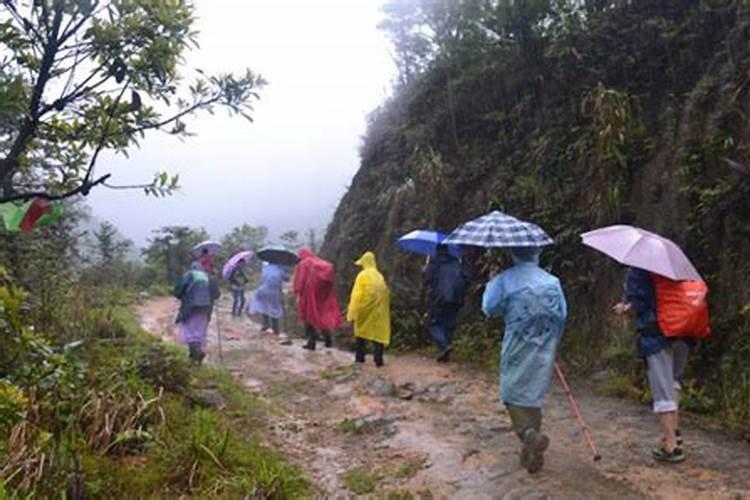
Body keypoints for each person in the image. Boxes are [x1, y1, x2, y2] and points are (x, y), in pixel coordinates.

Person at [482, 247, 567, 474]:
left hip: (517, 346)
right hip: (544, 347)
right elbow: (562, 316)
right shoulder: (552, 282)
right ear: (536, 254)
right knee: (533, 395)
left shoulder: (506, 279)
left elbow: (489, 309)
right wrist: (553, 341)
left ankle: (528, 435)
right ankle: (529, 453)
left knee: (510, 393)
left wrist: (493, 281)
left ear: (513, 254)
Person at [613, 267, 688, 463]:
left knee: (662, 390)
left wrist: (624, 309)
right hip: (681, 330)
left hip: (656, 335)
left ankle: (671, 446)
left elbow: (638, 303)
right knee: (673, 381)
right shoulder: (672, 267)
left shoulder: (637, 271)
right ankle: (675, 432)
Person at [423, 244, 467, 362]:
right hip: (456, 298)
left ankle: (444, 346)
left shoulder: (434, 263)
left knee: (433, 323)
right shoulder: (456, 263)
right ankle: (445, 352)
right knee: (449, 324)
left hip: (439, 298)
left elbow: (426, 280)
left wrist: (426, 269)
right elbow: (466, 278)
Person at [347, 251, 391, 367]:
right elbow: (385, 293)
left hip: (364, 309)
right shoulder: (379, 275)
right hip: (379, 310)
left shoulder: (362, 275)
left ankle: (360, 359)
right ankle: (378, 360)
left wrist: (352, 313)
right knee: (378, 334)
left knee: (360, 333)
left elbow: (356, 295)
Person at [294, 248, 343, 350]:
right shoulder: (318, 261)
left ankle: (311, 343)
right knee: (321, 315)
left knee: (309, 316)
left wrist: (297, 291)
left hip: (309, 294)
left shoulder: (303, 264)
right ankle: (328, 341)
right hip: (322, 294)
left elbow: (300, 281)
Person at [174, 261, 220, 364]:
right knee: (199, 332)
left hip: (191, 307)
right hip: (205, 309)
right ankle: (194, 358)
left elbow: (178, 292)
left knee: (190, 331)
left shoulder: (188, 275)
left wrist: (184, 297)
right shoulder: (208, 277)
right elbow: (217, 294)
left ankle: (197, 353)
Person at [249, 262, 288, 334]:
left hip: (263, 290)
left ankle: (265, 326)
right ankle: (275, 329)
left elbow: (262, 280)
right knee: (275, 309)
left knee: (265, 308)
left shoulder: (265, 268)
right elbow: (286, 278)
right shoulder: (279, 269)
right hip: (274, 292)